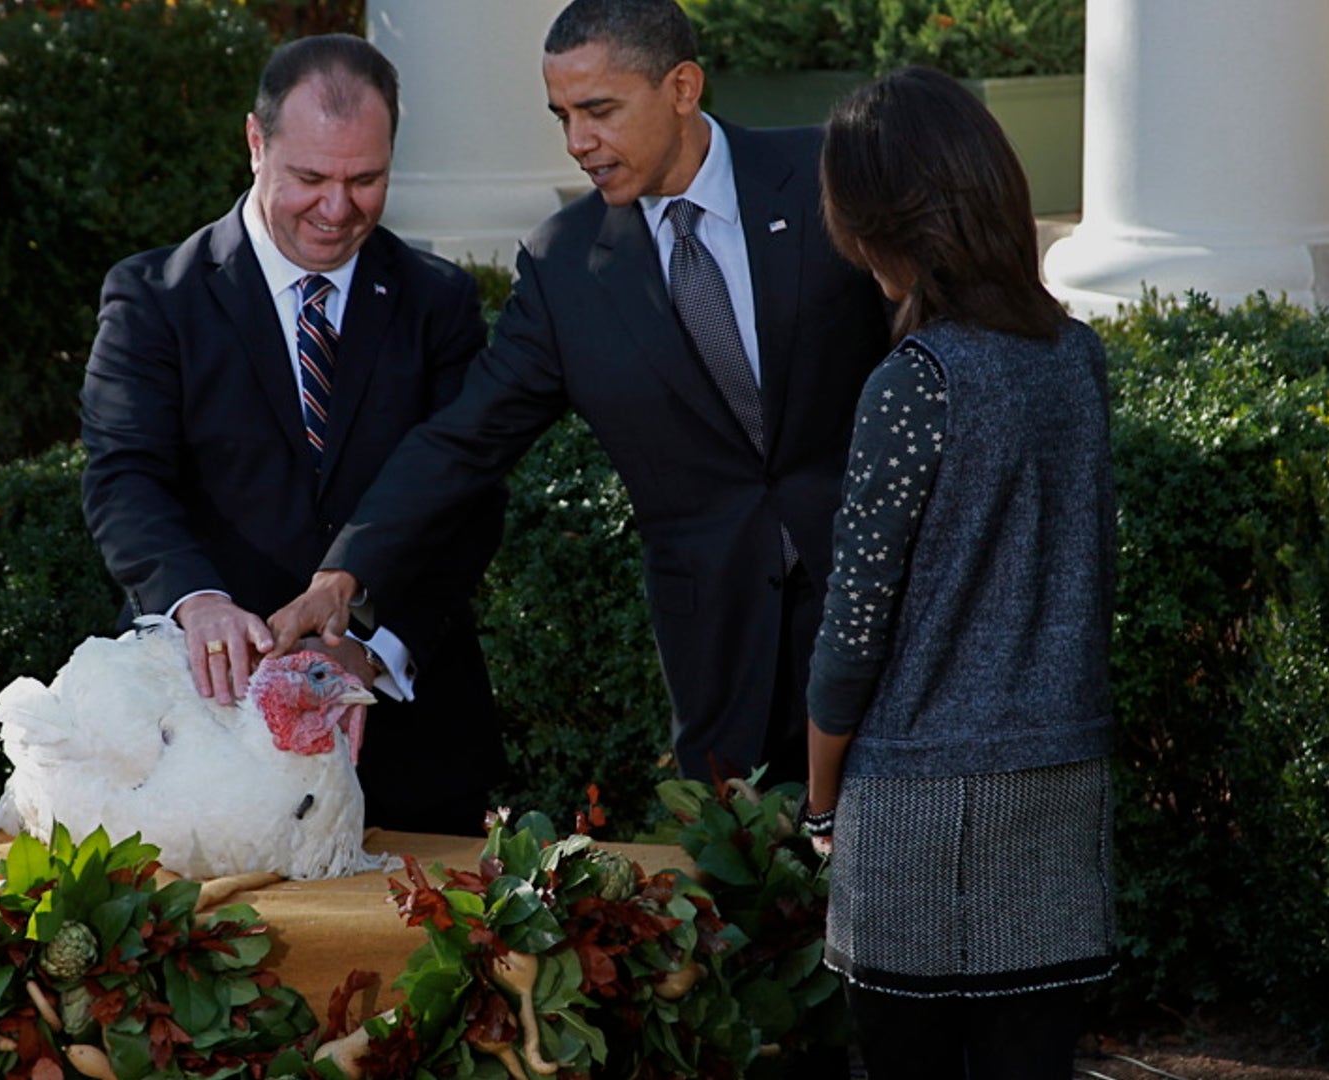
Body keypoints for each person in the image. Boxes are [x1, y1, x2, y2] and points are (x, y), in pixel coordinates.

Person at [270, 0, 890, 789]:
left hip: (884, 616)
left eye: (599, 110)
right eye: (563, 115)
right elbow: (463, 441)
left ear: (683, 87)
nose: (578, 143)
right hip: (722, 660)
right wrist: (344, 574)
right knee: (747, 897)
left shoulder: (827, 179)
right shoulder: (566, 268)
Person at [79, 33, 508, 836]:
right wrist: (197, 602)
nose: (337, 208)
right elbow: (123, 477)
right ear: (255, 143)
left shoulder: (438, 303)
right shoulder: (153, 299)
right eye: (310, 177)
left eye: (365, 179)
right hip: (208, 748)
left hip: (410, 746)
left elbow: (467, 499)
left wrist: (372, 654)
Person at [799, 66, 1117, 1077]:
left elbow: (854, 633)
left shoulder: (914, 384)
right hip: (1062, 791)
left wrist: (818, 804)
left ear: (871, 222)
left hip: (916, 814)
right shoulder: (1077, 359)